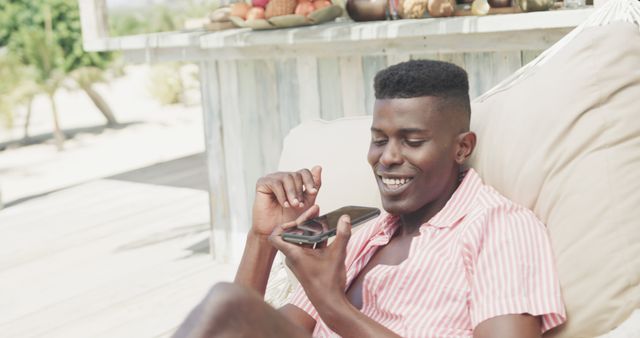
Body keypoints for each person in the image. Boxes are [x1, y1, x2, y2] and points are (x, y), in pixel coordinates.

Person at [172, 60, 566, 338]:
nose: (387, 157)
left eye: (412, 141)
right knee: (229, 309)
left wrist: (334, 306)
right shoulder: (361, 236)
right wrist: (262, 239)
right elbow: (258, 332)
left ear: (462, 147)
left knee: (226, 306)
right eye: (379, 140)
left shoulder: (500, 228)